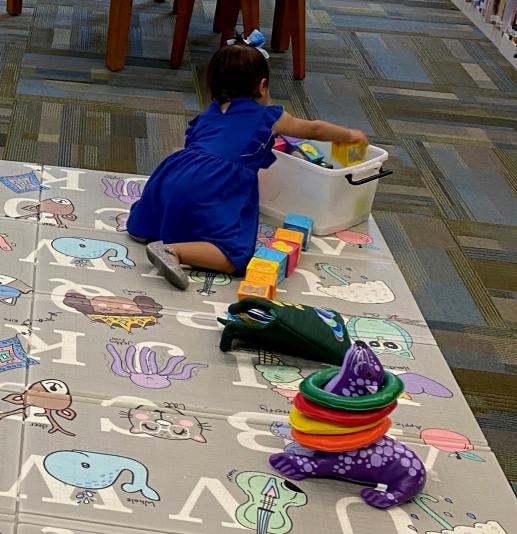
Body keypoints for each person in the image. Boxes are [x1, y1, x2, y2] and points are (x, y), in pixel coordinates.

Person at [127, 36, 368, 290]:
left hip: (170, 174)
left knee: (176, 206)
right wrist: (350, 136)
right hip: (211, 183)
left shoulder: (208, 114)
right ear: (262, 86)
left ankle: (146, 226)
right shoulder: (268, 116)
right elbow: (315, 129)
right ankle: (173, 250)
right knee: (235, 256)